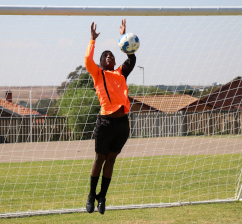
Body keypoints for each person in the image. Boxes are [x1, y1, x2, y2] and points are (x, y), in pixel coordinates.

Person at [84, 19, 136, 214]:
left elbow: (132, 61)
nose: (108, 57)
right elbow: (88, 61)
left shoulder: (120, 73)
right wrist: (92, 40)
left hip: (122, 124)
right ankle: (91, 195)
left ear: (114, 61)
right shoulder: (98, 74)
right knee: (99, 159)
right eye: (105, 56)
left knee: (111, 160)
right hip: (105, 122)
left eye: (111, 56)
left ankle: (102, 197)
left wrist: (124, 38)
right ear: (101, 62)